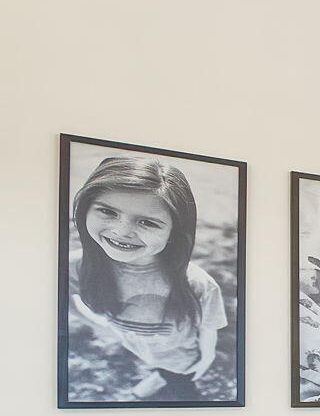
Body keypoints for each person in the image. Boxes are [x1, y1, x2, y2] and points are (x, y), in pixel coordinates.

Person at [68, 155, 228, 402]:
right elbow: (62, 298)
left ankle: (159, 382)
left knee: (183, 387)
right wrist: (97, 325)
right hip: (137, 346)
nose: (122, 232)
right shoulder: (76, 266)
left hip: (181, 357)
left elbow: (209, 328)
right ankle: (159, 375)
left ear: (175, 231)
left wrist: (207, 357)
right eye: (108, 211)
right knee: (157, 364)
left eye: (147, 222)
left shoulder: (198, 284)